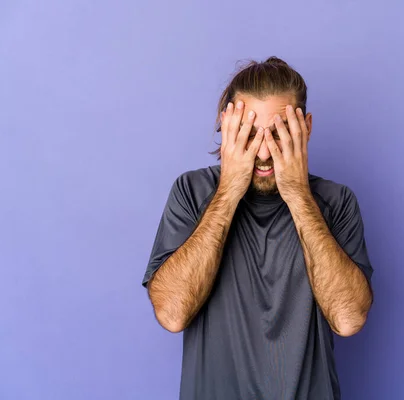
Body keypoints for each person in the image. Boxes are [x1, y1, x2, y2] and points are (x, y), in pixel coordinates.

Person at [142, 56, 374, 400]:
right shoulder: (191, 193)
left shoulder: (336, 202)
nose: (264, 151)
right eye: (249, 134)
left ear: (305, 128)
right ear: (227, 125)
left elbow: (348, 319)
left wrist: (297, 193)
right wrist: (228, 191)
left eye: (279, 134)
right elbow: (173, 315)